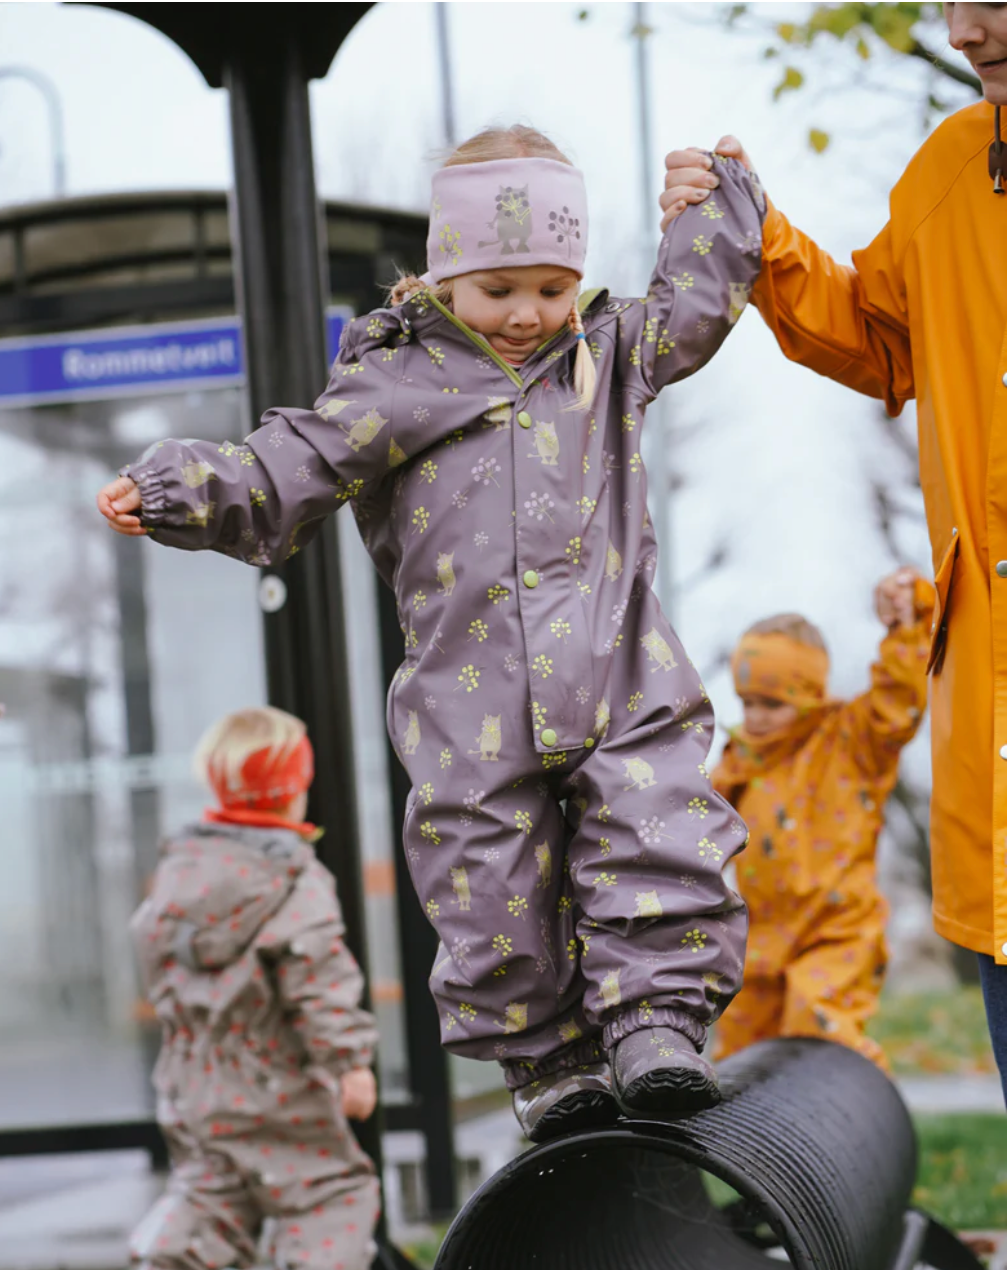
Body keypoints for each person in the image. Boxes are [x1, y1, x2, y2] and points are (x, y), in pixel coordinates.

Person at [98, 123, 767, 1142]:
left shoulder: (607, 351)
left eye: (552, 287)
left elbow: (699, 305)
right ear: (443, 276)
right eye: (500, 290)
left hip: (621, 672)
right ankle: (549, 1060)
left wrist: (714, 204)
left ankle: (657, 1022)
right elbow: (289, 465)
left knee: (659, 833)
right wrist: (179, 489)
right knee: (485, 878)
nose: (528, 315)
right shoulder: (393, 388)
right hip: (470, 696)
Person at [660, 3, 1007, 1089]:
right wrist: (758, 233)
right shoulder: (953, 167)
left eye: (990, 0)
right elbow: (880, 336)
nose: (961, 32)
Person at [128, 707, 380, 1270]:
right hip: (274, 1080)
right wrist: (350, 1064)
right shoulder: (294, 877)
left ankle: (166, 1259)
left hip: (190, 1081)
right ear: (295, 791)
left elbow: (154, 952)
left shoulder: (182, 866)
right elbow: (317, 976)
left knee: (210, 1198)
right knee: (331, 1195)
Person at [712, 569, 934, 1070]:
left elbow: (897, 704)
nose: (757, 716)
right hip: (761, 939)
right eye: (748, 703)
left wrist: (907, 625)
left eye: (773, 703)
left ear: (808, 696)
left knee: (817, 1028)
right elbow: (690, 823)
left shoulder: (849, 741)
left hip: (837, 932)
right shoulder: (740, 762)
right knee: (741, 1054)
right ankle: (746, 1144)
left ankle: (858, 1117)